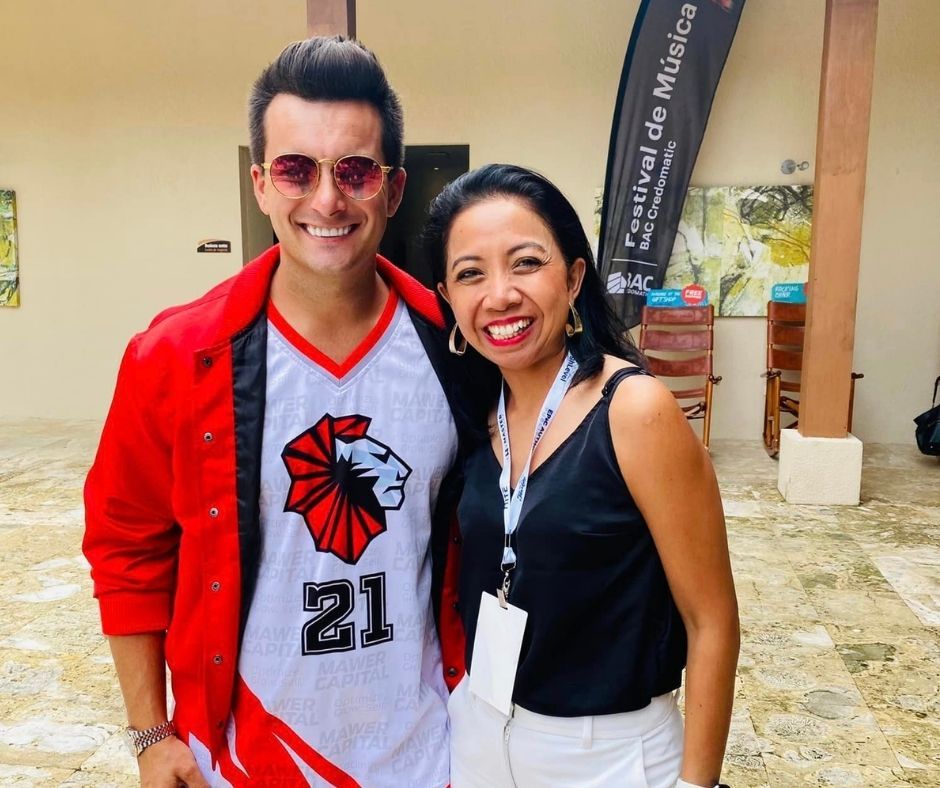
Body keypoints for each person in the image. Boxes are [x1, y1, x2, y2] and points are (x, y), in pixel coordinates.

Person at [83, 36, 471, 787]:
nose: (326, 200)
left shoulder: (454, 348)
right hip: (243, 760)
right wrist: (151, 733)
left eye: (355, 171)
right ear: (261, 184)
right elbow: (126, 546)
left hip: (428, 756)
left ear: (393, 189)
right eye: (297, 169)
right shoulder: (176, 357)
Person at [423, 164, 740, 788]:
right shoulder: (474, 415)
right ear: (448, 298)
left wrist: (695, 784)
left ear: (572, 278)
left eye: (525, 263)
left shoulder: (634, 409)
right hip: (480, 734)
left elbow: (712, 621)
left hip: (607, 755)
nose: (500, 295)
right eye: (471, 273)